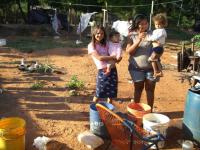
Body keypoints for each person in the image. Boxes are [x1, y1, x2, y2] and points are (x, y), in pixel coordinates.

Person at [126, 14, 157, 111]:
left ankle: (150, 111)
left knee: (150, 89)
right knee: (138, 89)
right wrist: (139, 40)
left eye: (145, 23)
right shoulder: (132, 35)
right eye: (141, 24)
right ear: (136, 24)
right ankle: (135, 111)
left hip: (151, 68)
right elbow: (129, 51)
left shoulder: (153, 34)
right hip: (136, 69)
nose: (143, 26)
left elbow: (159, 48)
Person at [88, 25, 121, 103]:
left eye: (102, 33)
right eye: (98, 33)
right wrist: (113, 57)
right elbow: (100, 58)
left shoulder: (107, 43)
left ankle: (109, 110)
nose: (100, 35)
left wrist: (119, 57)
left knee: (111, 93)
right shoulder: (91, 46)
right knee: (98, 92)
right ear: (93, 34)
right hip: (102, 71)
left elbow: (116, 49)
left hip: (112, 69)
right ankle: (93, 109)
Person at [146, 13, 167, 78]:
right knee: (156, 60)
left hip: (157, 48)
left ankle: (156, 72)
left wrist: (147, 38)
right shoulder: (159, 30)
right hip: (157, 48)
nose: (157, 26)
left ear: (163, 24)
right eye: (156, 24)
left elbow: (154, 38)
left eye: (159, 24)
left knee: (151, 59)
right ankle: (160, 72)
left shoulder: (160, 31)